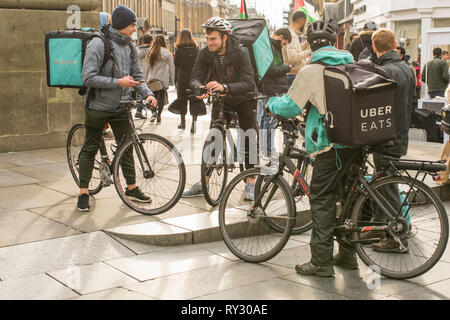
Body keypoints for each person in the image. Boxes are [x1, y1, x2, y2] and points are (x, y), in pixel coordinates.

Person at [267, 21, 359, 277]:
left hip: (329, 146)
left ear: (311, 42)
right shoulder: (350, 63)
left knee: (321, 199)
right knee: (349, 197)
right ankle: (348, 254)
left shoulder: (311, 71)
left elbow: (291, 107)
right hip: (356, 141)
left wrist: (271, 104)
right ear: (333, 42)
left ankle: (320, 262)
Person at [78, 5, 158, 212]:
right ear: (122, 24)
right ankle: (83, 193)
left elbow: (137, 75)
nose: (135, 29)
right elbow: (88, 77)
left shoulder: (130, 45)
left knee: (127, 146)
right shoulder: (98, 43)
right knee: (90, 146)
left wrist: (147, 94)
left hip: (121, 105)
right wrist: (118, 82)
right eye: (132, 25)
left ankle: (131, 187)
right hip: (98, 106)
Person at [182, 17, 258, 200]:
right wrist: (199, 87)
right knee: (213, 138)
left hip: (242, 98)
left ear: (225, 37)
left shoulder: (240, 53)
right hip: (220, 100)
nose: (209, 43)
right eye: (207, 39)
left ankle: (250, 183)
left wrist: (225, 87)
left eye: (213, 39)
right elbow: (195, 76)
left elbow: (249, 82)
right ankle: (205, 181)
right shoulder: (205, 53)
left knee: (249, 137)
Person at [362, 29, 416, 252]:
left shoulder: (384, 71)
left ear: (374, 47)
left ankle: (397, 237)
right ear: (395, 44)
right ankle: (378, 225)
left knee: (388, 185)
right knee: (380, 181)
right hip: (401, 133)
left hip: (386, 138)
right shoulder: (407, 69)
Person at [257, 28, 292, 157]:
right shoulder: (272, 47)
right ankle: (268, 150)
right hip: (271, 88)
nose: (284, 46)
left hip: (267, 88)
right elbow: (271, 70)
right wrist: (287, 68)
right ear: (281, 37)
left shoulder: (269, 46)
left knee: (264, 119)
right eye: (285, 43)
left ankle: (265, 148)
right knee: (269, 119)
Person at [170, 29, 206, 132]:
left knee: (182, 100)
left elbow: (176, 66)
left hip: (182, 78)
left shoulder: (179, 50)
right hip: (194, 78)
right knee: (195, 100)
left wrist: (175, 80)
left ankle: (182, 123)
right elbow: (200, 65)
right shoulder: (196, 50)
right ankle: (194, 124)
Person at [145, 35, 175, 124]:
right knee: (161, 97)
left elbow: (147, 68)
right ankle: (159, 115)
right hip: (163, 79)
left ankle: (153, 113)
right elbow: (171, 68)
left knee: (153, 96)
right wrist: (172, 80)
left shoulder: (151, 52)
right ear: (164, 42)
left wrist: (145, 79)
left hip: (153, 79)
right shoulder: (167, 53)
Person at [283, 11, 311, 86]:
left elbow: (296, 50)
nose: (305, 27)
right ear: (302, 21)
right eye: (305, 23)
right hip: (294, 76)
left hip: (292, 76)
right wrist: (309, 52)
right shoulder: (292, 35)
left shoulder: (289, 33)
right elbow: (293, 58)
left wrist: (307, 43)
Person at [134, 34, 153, 119]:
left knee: (140, 94)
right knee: (150, 94)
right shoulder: (152, 51)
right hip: (149, 75)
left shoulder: (136, 50)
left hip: (138, 74)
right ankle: (154, 113)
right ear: (151, 41)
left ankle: (138, 111)